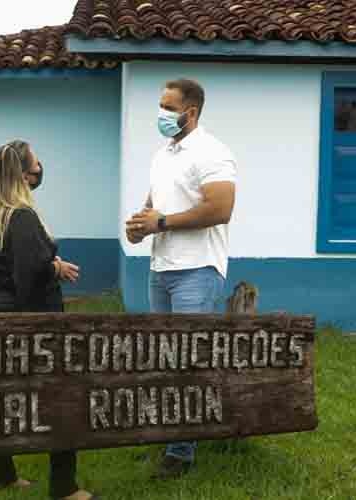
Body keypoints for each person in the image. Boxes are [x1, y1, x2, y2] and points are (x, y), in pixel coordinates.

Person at [125, 79, 238, 479]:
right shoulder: (163, 155)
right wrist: (140, 226)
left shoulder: (213, 152)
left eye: (168, 107)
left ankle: (181, 452)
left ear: (190, 113)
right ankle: (169, 438)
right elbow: (155, 207)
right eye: (160, 105)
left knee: (188, 362)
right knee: (164, 359)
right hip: (161, 269)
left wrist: (162, 223)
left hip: (197, 270)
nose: (161, 114)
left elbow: (221, 208)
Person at [0, 140, 97, 500]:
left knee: (1, 400)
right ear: (24, 175)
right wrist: (52, 271)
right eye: (37, 162)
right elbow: (28, 276)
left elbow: (6, 275)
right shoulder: (23, 217)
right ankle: (65, 487)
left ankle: (2, 476)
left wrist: (50, 266)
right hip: (33, 324)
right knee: (62, 400)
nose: (41, 168)